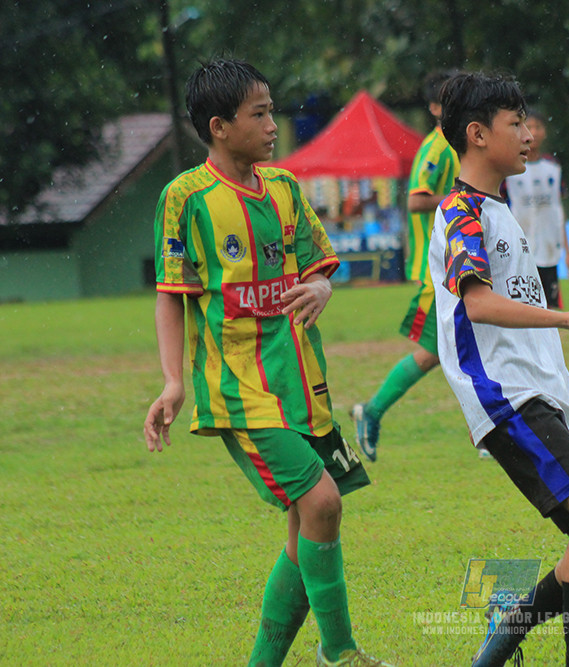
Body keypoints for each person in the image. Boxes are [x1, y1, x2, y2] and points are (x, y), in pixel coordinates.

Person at [142, 58, 392, 667]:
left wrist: (323, 289)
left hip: (302, 381)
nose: (273, 124)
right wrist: (174, 381)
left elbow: (318, 269)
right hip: (239, 389)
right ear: (220, 126)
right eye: (260, 114)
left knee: (306, 530)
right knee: (323, 503)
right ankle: (340, 653)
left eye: (272, 110)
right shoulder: (184, 199)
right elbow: (172, 294)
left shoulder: (283, 188)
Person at [428, 71, 569, 667]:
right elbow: (477, 303)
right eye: (514, 123)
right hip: (504, 393)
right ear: (477, 134)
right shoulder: (460, 213)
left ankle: (512, 619)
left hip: (545, 392)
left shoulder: (499, 209)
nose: (527, 134)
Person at [351, 70, 460, 462]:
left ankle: (495, 433)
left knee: (476, 346)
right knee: (435, 353)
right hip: (440, 272)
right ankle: (372, 411)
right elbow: (416, 200)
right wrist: (460, 198)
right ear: (434, 109)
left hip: (458, 266)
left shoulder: (460, 144)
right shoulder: (436, 149)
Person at [504, 110, 569, 309]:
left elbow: (558, 211)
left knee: (551, 308)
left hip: (548, 247)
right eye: (529, 126)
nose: (533, 132)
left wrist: (568, 254)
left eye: (538, 127)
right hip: (520, 248)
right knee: (526, 306)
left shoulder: (552, 167)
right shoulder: (509, 169)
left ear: (545, 132)